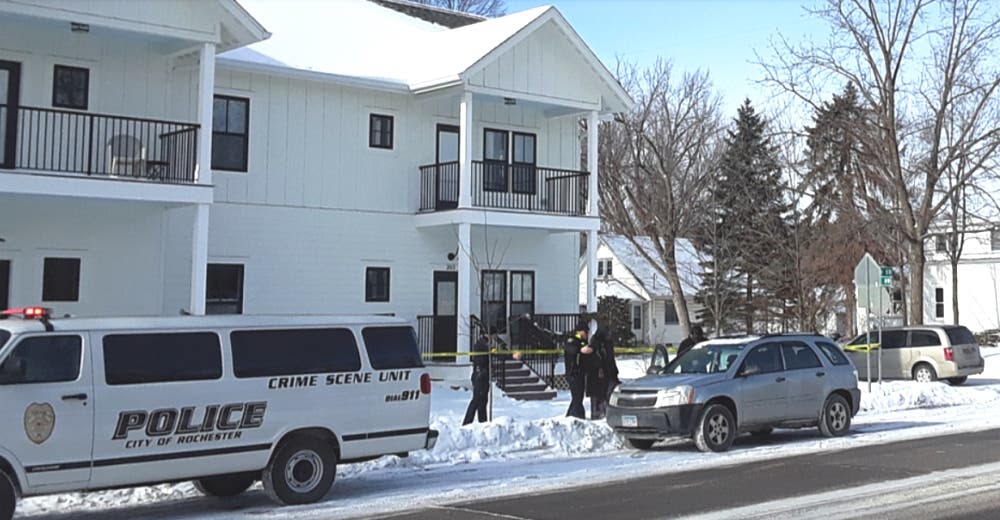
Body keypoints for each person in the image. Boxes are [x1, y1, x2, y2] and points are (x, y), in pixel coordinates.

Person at [564, 320, 593, 419]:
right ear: (580, 331)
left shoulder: (583, 342)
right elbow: (571, 349)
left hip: (580, 373)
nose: (587, 334)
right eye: (586, 332)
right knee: (577, 397)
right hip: (573, 373)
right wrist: (580, 350)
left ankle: (570, 416)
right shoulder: (572, 340)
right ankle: (578, 416)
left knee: (579, 397)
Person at [588, 325, 618, 420]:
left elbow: (611, 358)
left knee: (609, 393)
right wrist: (599, 368)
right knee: (598, 395)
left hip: (609, 372)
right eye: (607, 334)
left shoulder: (608, 343)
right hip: (597, 374)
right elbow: (595, 358)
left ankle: (607, 412)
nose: (609, 336)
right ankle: (597, 413)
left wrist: (614, 372)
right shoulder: (595, 343)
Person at [462, 332, 491, 425]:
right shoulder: (481, 345)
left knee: (483, 401)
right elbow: (481, 361)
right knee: (477, 400)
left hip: (484, 377)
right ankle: (467, 422)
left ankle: (483, 422)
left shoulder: (485, 345)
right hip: (480, 377)